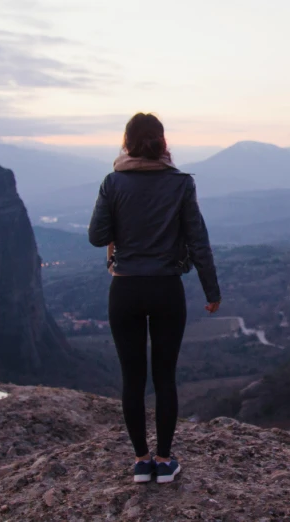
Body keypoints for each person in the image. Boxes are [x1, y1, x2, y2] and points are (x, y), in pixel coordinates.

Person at [88, 112, 221, 484]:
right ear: (163, 144)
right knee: (164, 377)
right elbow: (198, 241)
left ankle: (140, 461)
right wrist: (212, 290)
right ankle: (165, 461)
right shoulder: (180, 183)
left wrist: (124, 223)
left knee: (132, 378)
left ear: (126, 144)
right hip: (166, 290)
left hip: (125, 288)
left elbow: (97, 236)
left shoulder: (112, 182)